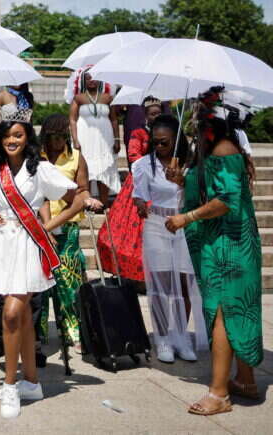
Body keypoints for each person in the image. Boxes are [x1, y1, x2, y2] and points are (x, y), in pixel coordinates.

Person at [0, 111, 78, 419]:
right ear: (0, 139)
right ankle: (32, 382)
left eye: (17, 134)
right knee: (24, 317)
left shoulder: (40, 168)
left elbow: (77, 198)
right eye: (7, 135)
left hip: (29, 244)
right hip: (3, 242)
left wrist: (48, 225)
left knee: (13, 313)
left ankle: (11, 384)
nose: (12, 140)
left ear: (28, 137)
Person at [165, 107, 262, 416]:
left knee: (223, 312)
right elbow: (211, 190)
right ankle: (245, 381)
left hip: (230, 246)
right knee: (235, 310)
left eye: (200, 119)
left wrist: (186, 217)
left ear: (215, 124)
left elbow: (227, 200)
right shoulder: (211, 150)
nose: (194, 123)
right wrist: (181, 181)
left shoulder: (223, 148)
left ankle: (219, 394)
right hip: (219, 244)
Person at [131, 114, 204, 364]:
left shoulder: (191, 163)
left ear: (176, 141)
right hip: (157, 224)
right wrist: (140, 203)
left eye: (165, 142)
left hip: (185, 224)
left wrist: (181, 179)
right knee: (161, 285)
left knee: (184, 284)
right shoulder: (143, 164)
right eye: (156, 142)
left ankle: (181, 336)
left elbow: (198, 195)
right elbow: (138, 194)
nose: (159, 146)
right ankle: (162, 337)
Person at [36, 114, 101, 350]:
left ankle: (73, 330)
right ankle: (38, 332)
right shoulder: (35, 157)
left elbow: (82, 190)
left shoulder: (76, 158)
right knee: (40, 281)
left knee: (69, 280)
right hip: (38, 226)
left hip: (68, 224)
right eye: (54, 136)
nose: (59, 141)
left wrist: (86, 199)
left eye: (63, 136)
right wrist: (47, 227)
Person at [97, 97, 164, 281]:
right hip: (141, 183)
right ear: (146, 115)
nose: (156, 116)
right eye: (152, 113)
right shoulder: (138, 133)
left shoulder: (167, 133)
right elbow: (133, 155)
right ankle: (135, 276)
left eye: (158, 113)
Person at [69, 69, 120, 205]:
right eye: (88, 78)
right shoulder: (78, 98)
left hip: (105, 137)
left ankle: (103, 204)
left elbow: (114, 120)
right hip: (85, 137)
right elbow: (72, 120)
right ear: (84, 81)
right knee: (86, 169)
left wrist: (117, 139)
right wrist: (75, 139)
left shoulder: (108, 97)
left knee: (104, 168)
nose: (91, 80)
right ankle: (88, 203)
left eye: (94, 77)